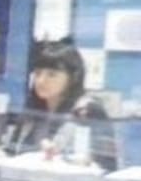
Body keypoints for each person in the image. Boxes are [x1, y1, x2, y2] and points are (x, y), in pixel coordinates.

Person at [7, 39, 117, 171]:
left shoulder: (89, 110)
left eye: (51, 75)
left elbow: (108, 166)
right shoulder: (32, 110)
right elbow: (11, 152)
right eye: (37, 73)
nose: (41, 81)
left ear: (73, 77)